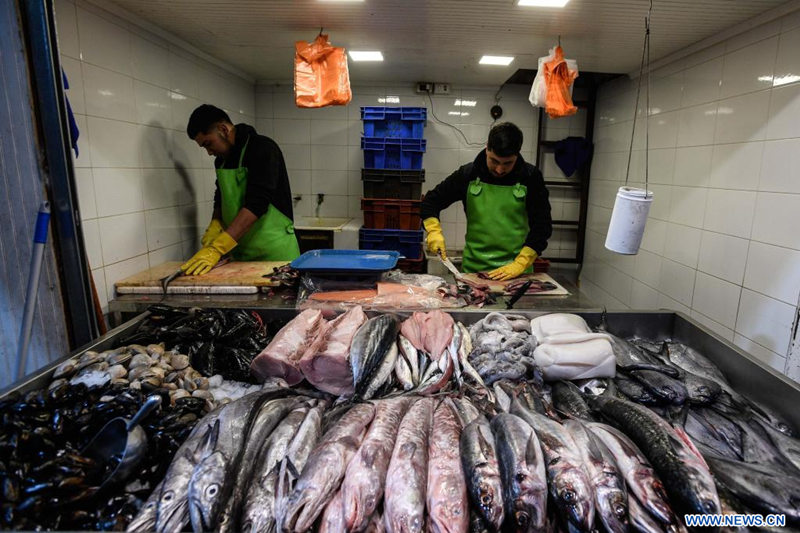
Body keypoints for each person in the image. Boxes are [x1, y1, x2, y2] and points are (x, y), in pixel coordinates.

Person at [421, 122, 552, 281]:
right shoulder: (468, 174)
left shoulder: (530, 177)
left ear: (517, 155)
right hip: (474, 272)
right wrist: (434, 231)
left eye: (507, 163)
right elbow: (431, 202)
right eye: (494, 161)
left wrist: (521, 263)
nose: (499, 170)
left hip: (516, 273)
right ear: (486, 148)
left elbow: (542, 225)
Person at [182, 104, 300, 275]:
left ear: (223, 129)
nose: (209, 152)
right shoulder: (221, 161)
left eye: (209, 143)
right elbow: (221, 196)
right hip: (240, 254)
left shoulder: (263, 148)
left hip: (274, 253)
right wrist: (216, 223)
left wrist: (218, 247)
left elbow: (257, 203)